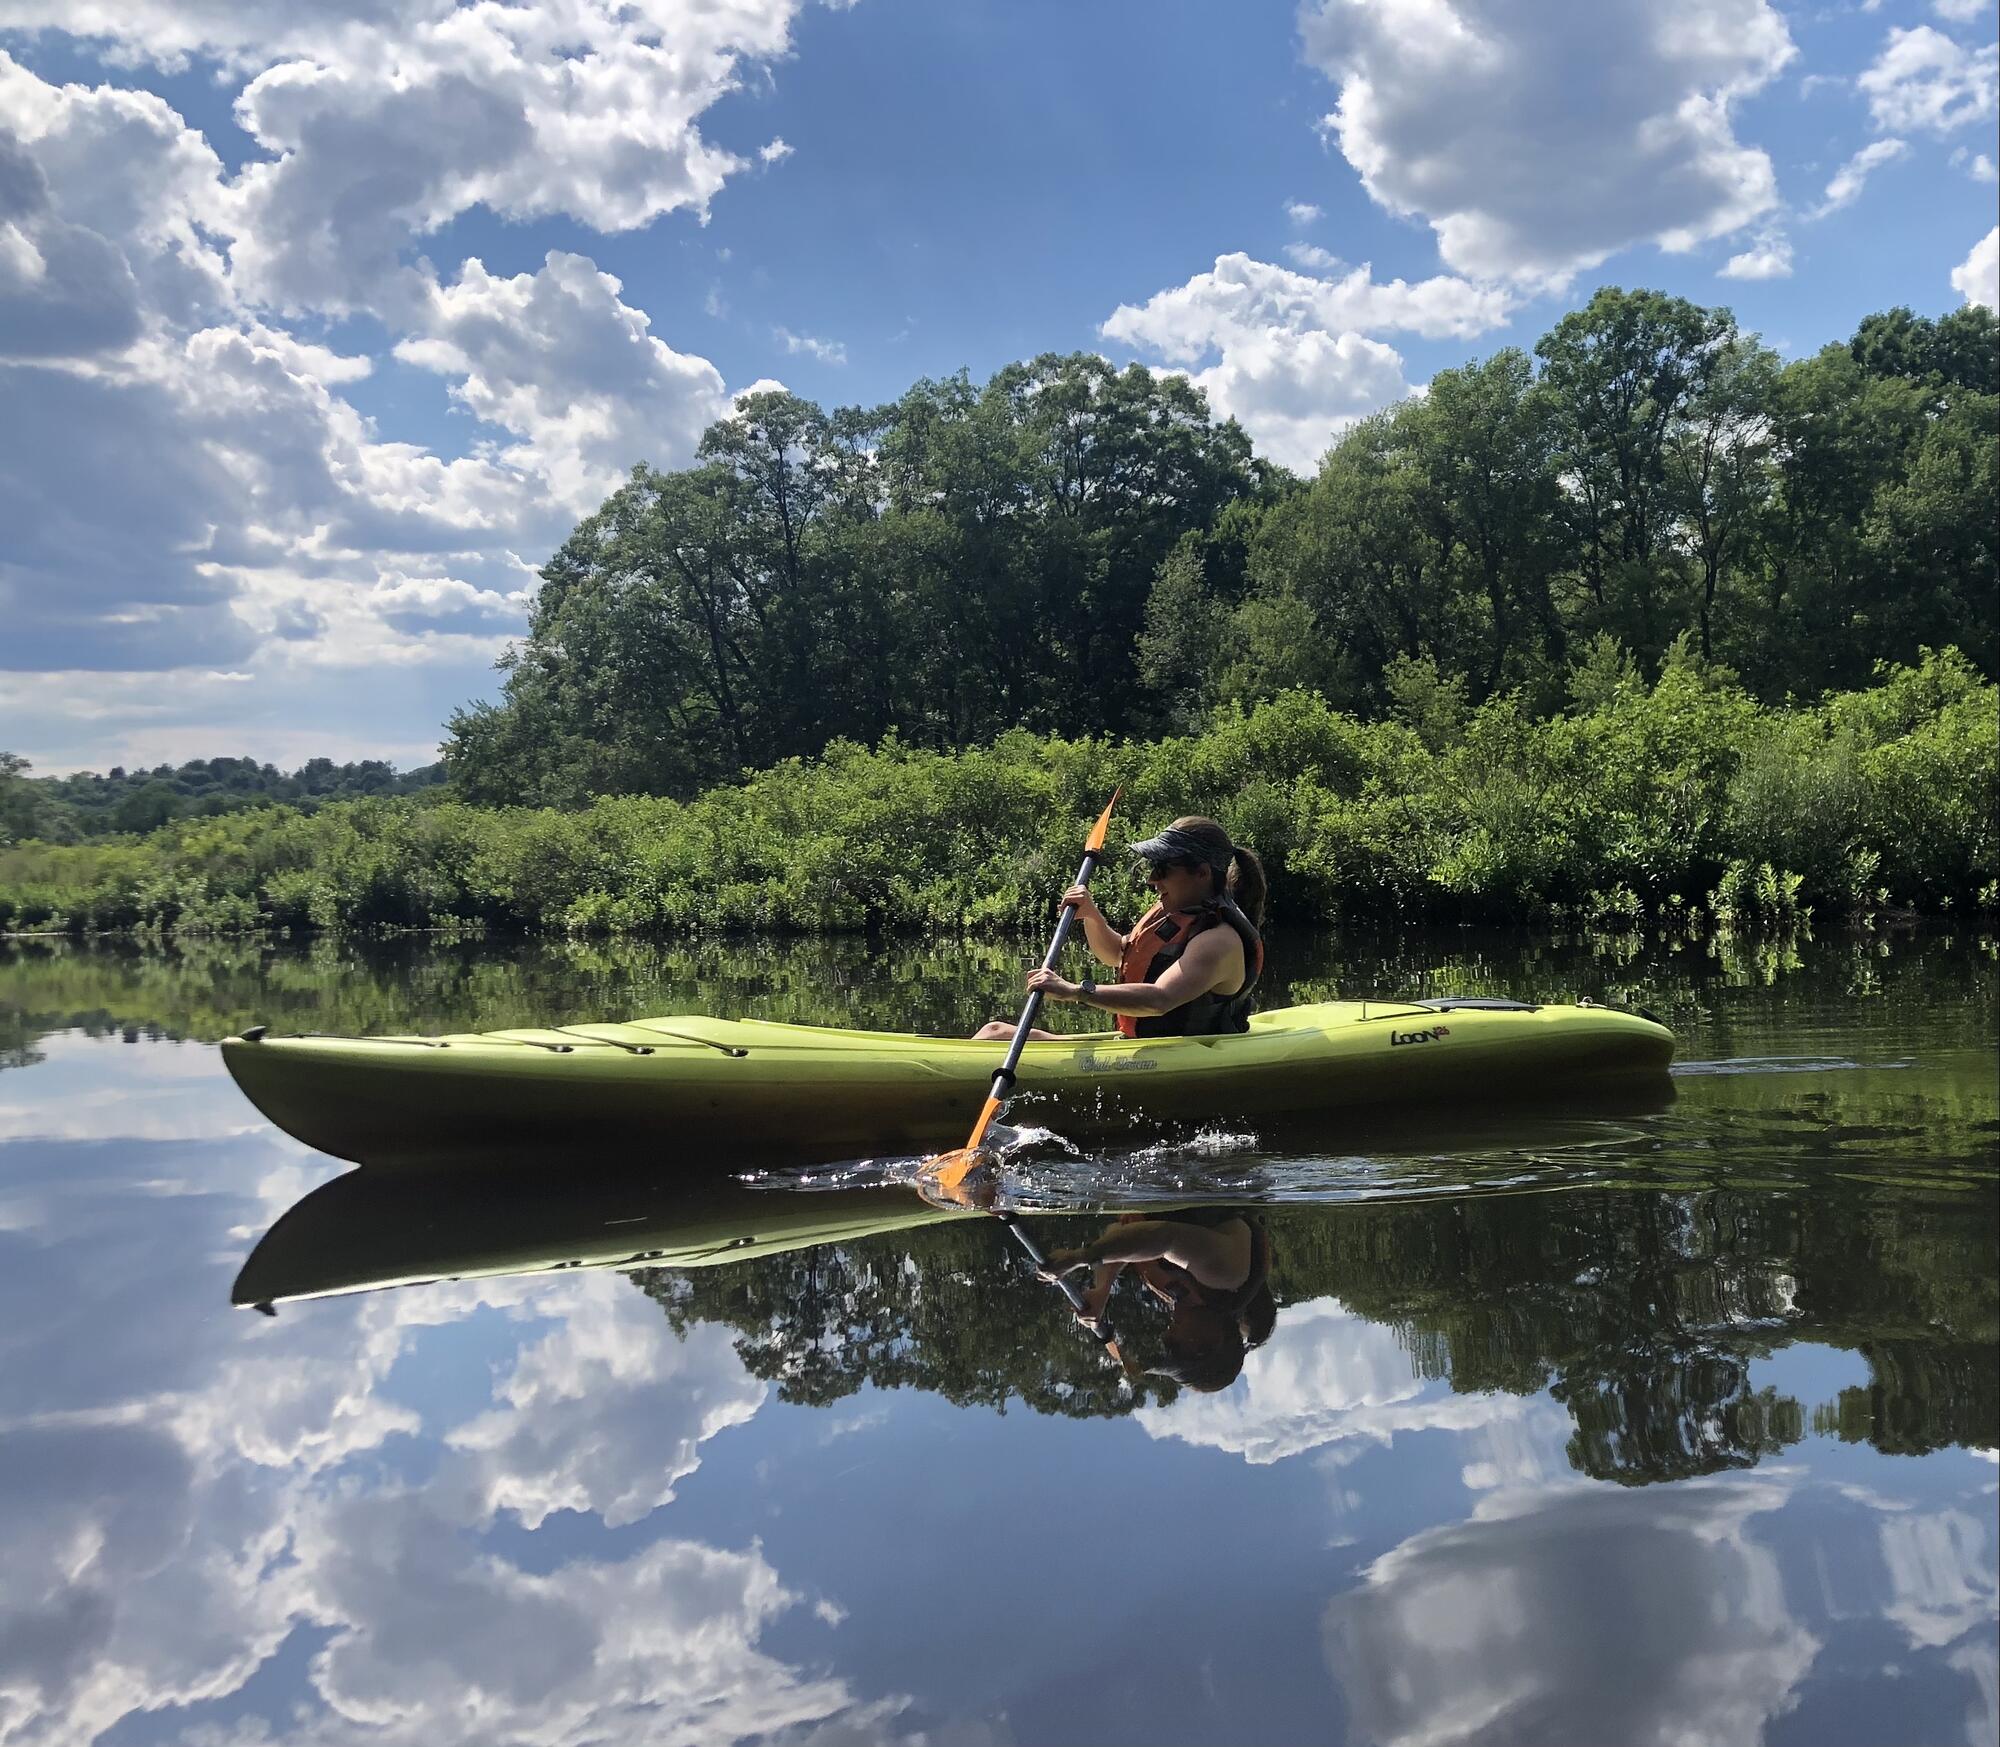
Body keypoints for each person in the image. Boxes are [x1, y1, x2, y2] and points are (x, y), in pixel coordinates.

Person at [972, 815, 1267, 1041]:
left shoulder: (1218, 941)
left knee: (994, 1035)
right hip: (1146, 1049)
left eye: (1162, 870)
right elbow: (1117, 954)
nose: (1152, 879)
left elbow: (1158, 999)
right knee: (994, 1032)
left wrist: (1075, 991)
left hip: (1181, 1058)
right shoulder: (1174, 912)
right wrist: (1091, 916)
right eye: (1152, 868)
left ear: (1202, 873)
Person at [1036, 1208, 1277, 1393]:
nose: (1167, 1332)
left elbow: (1121, 1235)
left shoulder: (1178, 1296)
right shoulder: (1227, 1274)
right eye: (1175, 1343)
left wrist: (1102, 1289)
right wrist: (1081, 1258)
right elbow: (1164, 1237)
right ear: (1212, 1340)